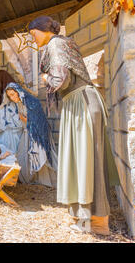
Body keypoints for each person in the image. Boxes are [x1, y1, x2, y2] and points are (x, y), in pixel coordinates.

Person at [28, 15, 120, 235]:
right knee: (87, 160)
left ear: (43, 30)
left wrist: (44, 78)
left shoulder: (56, 44)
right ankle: (92, 219)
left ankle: (96, 222)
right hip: (83, 102)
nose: (33, 39)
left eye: (33, 34)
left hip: (81, 103)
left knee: (87, 161)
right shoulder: (65, 43)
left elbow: (60, 80)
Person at [0, 82, 57, 187]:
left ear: (19, 92)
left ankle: (32, 178)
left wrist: (25, 119)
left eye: (13, 94)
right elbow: (1, 114)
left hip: (35, 134)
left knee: (31, 157)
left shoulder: (32, 102)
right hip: (26, 133)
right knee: (20, 155)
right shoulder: (14, 105)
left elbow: (39, 123)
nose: (12, 98)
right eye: (9, 96)